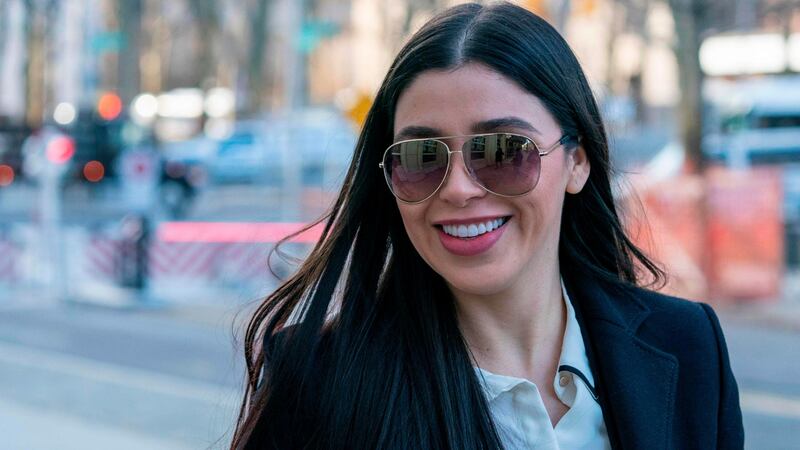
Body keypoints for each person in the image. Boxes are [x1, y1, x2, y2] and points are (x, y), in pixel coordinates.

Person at [230, 3, 744, 449]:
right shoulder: (317, 380)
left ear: (577, 162)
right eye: (421, 156)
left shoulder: (688, 345)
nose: (457, 188)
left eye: (502, 151)